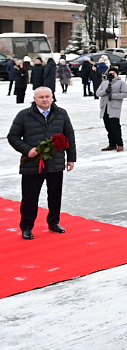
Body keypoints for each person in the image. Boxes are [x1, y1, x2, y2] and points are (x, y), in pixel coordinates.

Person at [7, 87, 76, 240]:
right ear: (34, 99)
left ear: (52, 97)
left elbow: (69, 136)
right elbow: (13, 136)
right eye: (41, 97)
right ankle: (27, 227)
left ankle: (54, 222)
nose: (44, 99)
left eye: (47, 96)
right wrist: (27, 150)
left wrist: (71, 158)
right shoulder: (24, 115)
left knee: (55, 195)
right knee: (30, 197)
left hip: (55, 162)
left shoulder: (61, 113)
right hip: (33, 163)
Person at [96, 70, 127, 152]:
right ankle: (112, 144)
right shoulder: (104, 83)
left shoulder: (121, 83)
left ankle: (120, 144)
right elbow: (98, 93)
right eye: (110, 73)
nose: (112, 75)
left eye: (114, 73)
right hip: (105, 108)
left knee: (115, 127)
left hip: (114, 108)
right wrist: (105, 91)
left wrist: (113, 95)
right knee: (108, 127)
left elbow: (125, 94)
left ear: (117, 74)